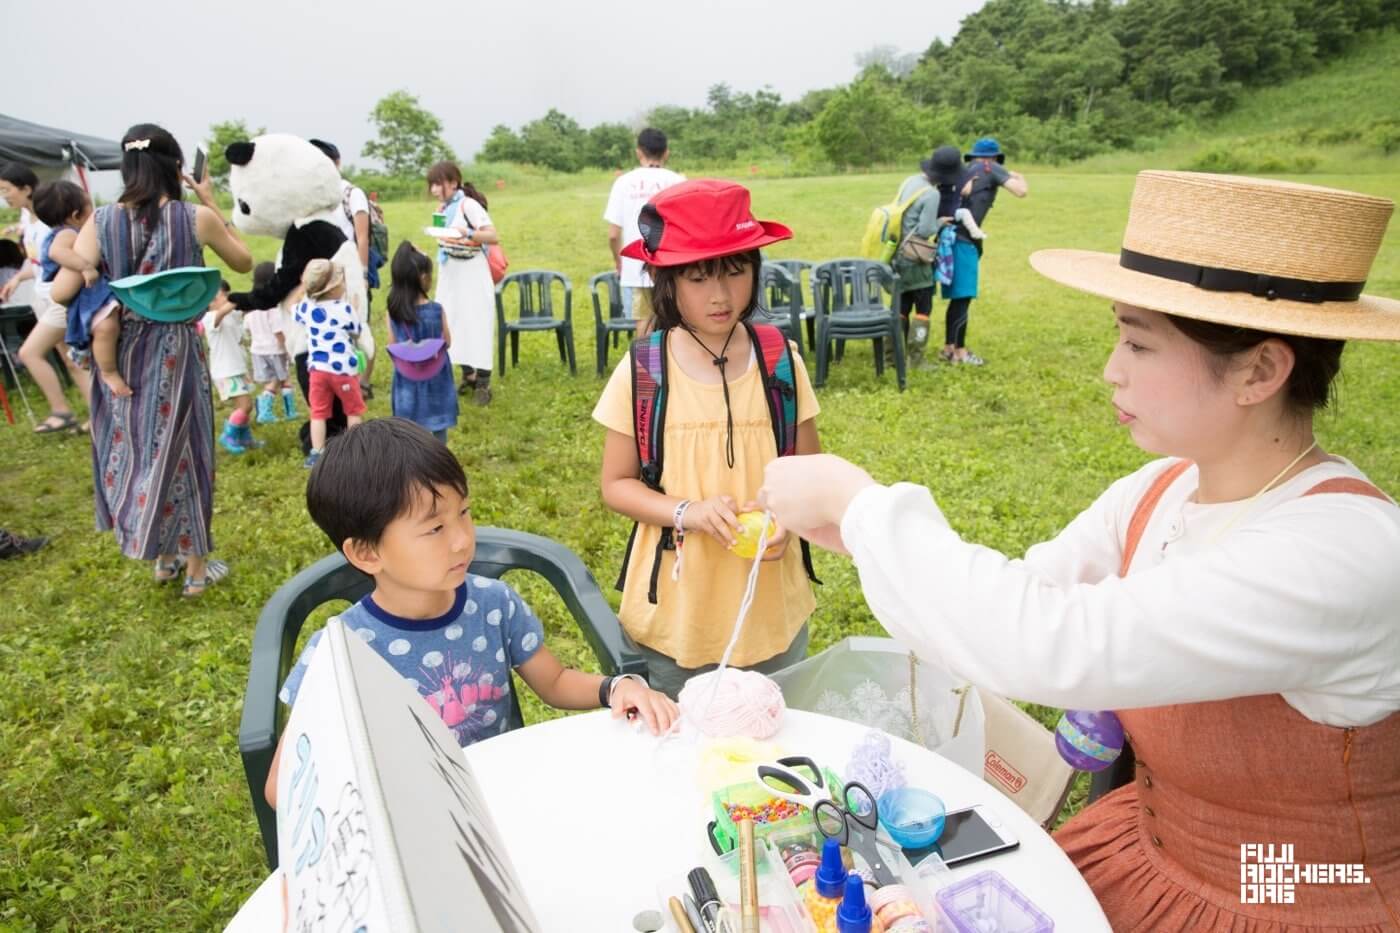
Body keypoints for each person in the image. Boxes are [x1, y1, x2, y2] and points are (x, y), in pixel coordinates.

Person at [758, 171, 1400, 931]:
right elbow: (1023, 598)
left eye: (1138, 342)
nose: (1111, 369)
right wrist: (861, 536)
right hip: (1150, 856)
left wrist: (859, 504)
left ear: (1260, 370)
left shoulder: (1340, 554)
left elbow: (1050, 642)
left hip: (1294, 898)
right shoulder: (1163, 488)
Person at [264, 417, 679, 805]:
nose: (463, 540)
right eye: (434, 528)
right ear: (367, 552)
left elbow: (553, 681)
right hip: (414, 826)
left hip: (504, 799)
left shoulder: (492, 604)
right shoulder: (338, 655)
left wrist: (615, 688)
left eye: (463, 513)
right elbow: (281, 786)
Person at [594, 179, 822, 699]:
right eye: (697, 278)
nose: (719, 296)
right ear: (665, 282)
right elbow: (616, 484)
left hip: (769, 613)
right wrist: (687, 512)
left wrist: (787, 519)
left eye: (735, 272)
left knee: (773, 740)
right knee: (679, 747)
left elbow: (812, 473)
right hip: (678, 618)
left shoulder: (780, 361)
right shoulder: (644, 370)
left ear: (756, 270)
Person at [51, 123, 252, 597]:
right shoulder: (193, 218)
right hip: (177, 349)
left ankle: (163, 559)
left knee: (142, 452)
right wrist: (210, 202)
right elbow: (242, 262)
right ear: (176, 167)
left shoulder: (100, 221)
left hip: (121, 349)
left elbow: (61, 293)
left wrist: (86, 267)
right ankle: (197, 568)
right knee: (187, 450)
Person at [0, 162, 93, 433]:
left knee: (30, 352)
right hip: (43, 296)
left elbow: (59, 255)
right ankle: (93, 414)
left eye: (7, 190)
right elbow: (35, 259)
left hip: (58, 298)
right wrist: (17, 278)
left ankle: (62, 411)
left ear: (26, 188)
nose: (5, 197)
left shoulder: (47, 220)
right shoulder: (27, 220)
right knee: (71, 360)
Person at [939, 137, 1028, 366]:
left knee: (957, 298)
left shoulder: (967, 170)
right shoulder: (991, 169)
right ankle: (959, 353)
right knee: (963, 298)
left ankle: (949, 348)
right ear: (994, 157)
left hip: (948, 238)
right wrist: (1020, 178)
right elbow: (1020, 192)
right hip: (964, 241)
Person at [890, 145, 975, 367]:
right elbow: (926, 230)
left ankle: (893, 357)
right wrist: (940, 222)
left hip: (897, 253)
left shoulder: (910, 182)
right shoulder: (931, 194)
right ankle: (916, 360)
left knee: (902, 306)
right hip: (916, 258)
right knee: (923, 309)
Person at [309, 138, 378, 398]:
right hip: (325, 278)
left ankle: (365, 380)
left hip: (351, 275)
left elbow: (362, 237)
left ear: (337, 163)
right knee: (334, 330)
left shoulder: (351, 194)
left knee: (360, 327)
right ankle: (343, 381)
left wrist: (361, 275)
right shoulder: (313, 198)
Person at [428, 161, 498, 406]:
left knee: (476, 322)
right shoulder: (443, 208)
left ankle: (483, 382)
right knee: (452, 321)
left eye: (438, 184)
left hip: (472, 272)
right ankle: (467, 374)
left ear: (453, 183)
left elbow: (492, 235)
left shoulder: (469, 205)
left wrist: (466, 233)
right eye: (432, 185)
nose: (435, 189)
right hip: (451, 270)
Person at [603, 128, 685, 337]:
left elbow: (613, 234)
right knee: (679, 322)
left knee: (644, 324)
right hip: (673, 266)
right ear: (666, 152)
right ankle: (677, 367)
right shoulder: (678, 181)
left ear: (639, 152)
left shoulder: (623, 182)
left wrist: (619, 261)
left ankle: (648, 369)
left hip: (636, 267)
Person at [30, 180, 115, 380]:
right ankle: (97, 363)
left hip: (77, 292)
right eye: (90, 209)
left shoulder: (65, 231)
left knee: (89, 324)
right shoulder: (67, 233)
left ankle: (84, 353)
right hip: (81, 291)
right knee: (100, 323)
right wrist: (85, 267)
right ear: (76, 216)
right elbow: (56, 252)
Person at [294, 258, 365, 468]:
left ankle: (316, 453)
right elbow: (356, 331)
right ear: (334, 287)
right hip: (343, 371)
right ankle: (355, 450)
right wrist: (355, 309)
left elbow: (293, 309)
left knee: (318, 413)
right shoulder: (345, 309)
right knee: (352, 411)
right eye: (341, 282)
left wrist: (307, 288)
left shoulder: (306, 309)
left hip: (317, 371)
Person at [386, 241, 457, 442]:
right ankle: (439, 462)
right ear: (424, 278)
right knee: (438, 426)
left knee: (409, 430)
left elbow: (393, 346)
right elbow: (448, 342)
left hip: (406, 380)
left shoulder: (393, 312)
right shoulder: (436, 309)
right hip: (437, 378)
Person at [202, 280, 261, 455]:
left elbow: (243, 310)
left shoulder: (231, 314)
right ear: (209, 301)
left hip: (237, 367)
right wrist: (237, 300)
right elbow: (223, 312)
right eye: (223, 296)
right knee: (245, 405)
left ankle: (244, 437)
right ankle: (229, 435)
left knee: (243, 405)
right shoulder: (210, 318)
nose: (228, 299)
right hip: (226, 370)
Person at [243, 262, 297, 424]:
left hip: (257, 350)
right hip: (275, 349)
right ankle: (269, 411)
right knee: (281, 380)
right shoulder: (272, 307)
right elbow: (278, 331)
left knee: (274, 379)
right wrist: (288, 348)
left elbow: (246, 328)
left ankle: (285, 411)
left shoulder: (252, 304)